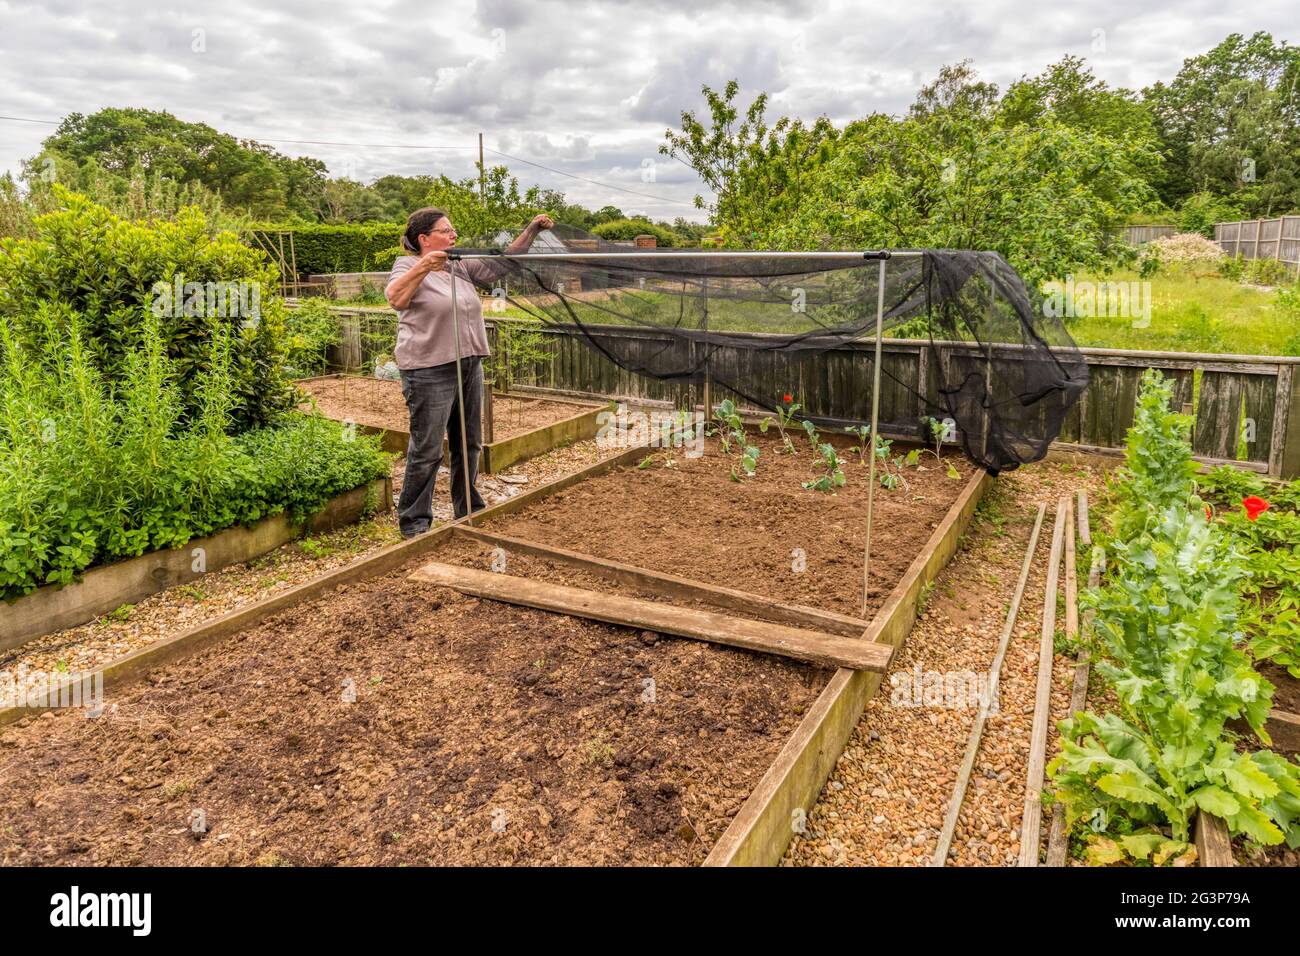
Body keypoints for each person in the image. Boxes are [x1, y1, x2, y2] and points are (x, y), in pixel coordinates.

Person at [385, 207, 554, 535]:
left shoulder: (458, 266)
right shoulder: (407, 265)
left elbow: (503, 262)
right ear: (424, 238)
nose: (454, 236)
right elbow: (396, 298)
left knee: (469, 441)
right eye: (446, 231)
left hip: (468, 364)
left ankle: (468, 508)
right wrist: (424, 266)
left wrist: (531, 230)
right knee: (428, 448)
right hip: (429, 370)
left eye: (453, 231)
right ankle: (414, 523)